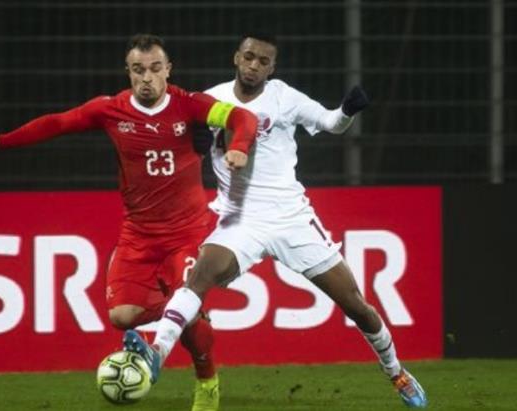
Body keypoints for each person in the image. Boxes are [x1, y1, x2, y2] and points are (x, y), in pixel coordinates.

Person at [123, 33, 428, 409]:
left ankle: (396, 371)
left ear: (272, 68)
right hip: (240, 219)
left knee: (354, 303)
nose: (254, 66)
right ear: (237, 58)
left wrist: (347, 111)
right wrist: (194, 141)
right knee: (199, 277)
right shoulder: (211, 99)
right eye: (249, 57)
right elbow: (175, 138)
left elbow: (330, 123)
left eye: (263, 61)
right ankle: (156, 353)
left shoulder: (285, 97)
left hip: (291, 218)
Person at [0, 33, 258, 411]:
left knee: (186, 310)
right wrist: (2, 140)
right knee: (122, 316)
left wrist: (238, 146)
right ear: (128, 72)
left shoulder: (190, 105)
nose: (146, 78)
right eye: (138, 70)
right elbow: (58, 123)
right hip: (138, 235)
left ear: (168, 69)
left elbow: (242, 117)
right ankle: (182, 309)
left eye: (154, 69)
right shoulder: (110, 110)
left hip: (187, 233)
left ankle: (207, 382)